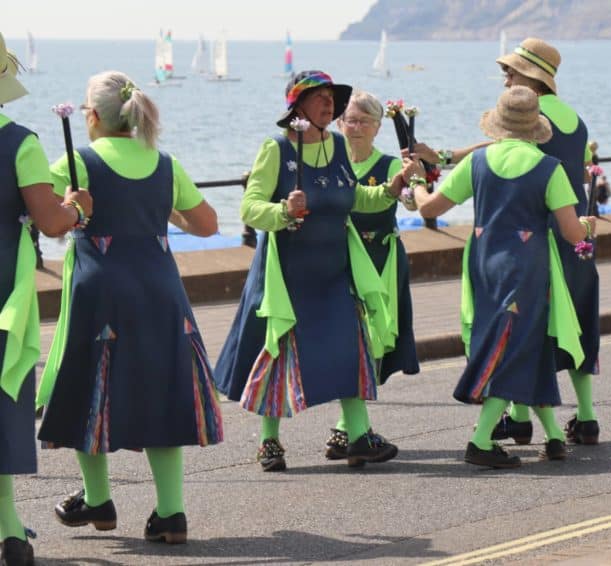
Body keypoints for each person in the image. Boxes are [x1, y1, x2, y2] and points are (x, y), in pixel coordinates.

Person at [36, 70, 222, 545]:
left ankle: (98, 501)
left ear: (93, 116)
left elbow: (50, 220)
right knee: (162, 389)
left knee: (87, 390)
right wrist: (163, 208)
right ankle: (170, 513)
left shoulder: (78, 162)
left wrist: (77, 209)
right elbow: (206, 224)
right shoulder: (163, 162)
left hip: (102, 288)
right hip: (161, 287)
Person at [213, 70, 416, 472]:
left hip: (335, 270)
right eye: (319, 97)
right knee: (278, 354)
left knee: (350, 348)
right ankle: (269, 442)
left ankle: (358, 437)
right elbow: (249, 209)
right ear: (297, 105)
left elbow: (355, 197)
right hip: (288, 273)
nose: (329, 104)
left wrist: (391, 189)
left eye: (331, 98)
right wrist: (284, 210)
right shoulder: (276, 149)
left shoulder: (337, 145)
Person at [414, 86, 597, 468]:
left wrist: (414, 184)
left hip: (483, 265)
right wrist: (588, 225)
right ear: (536, 127)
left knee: (520, 342)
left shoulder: (478, 161)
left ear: (498, 124)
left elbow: (431, 206)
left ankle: (548, 433)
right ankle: (480, 442)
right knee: (519, 344)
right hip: (527, 268)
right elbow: (571, 232)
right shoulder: (550, 168)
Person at [0, 33, 93, 566]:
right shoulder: (19, 142)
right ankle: (11, 532)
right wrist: (78, 208)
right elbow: (51, 222)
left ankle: (10, 529)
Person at [493, 38, 601, 446]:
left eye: (512, 71)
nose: (505, 76)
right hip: (576, 235)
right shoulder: (577, 119)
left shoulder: (530, 116)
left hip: (540, 234)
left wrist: (443, 158)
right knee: (578, 322)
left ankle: (519, 417)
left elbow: (499, 156)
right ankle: (587, 417)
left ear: (533, 80)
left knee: (528, 324)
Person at [322, 90, 419, 460]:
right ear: (339, 123)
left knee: (373, 342)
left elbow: (410, 200)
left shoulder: (393, 165)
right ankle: (349, 430)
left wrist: (414, 180)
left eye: (364, 121)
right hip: (341, 260)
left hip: (380, 260)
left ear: (379, 127)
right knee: (350, 341)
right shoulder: (331, 162)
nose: (356, 127)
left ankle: (347, 429)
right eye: (350, 119)